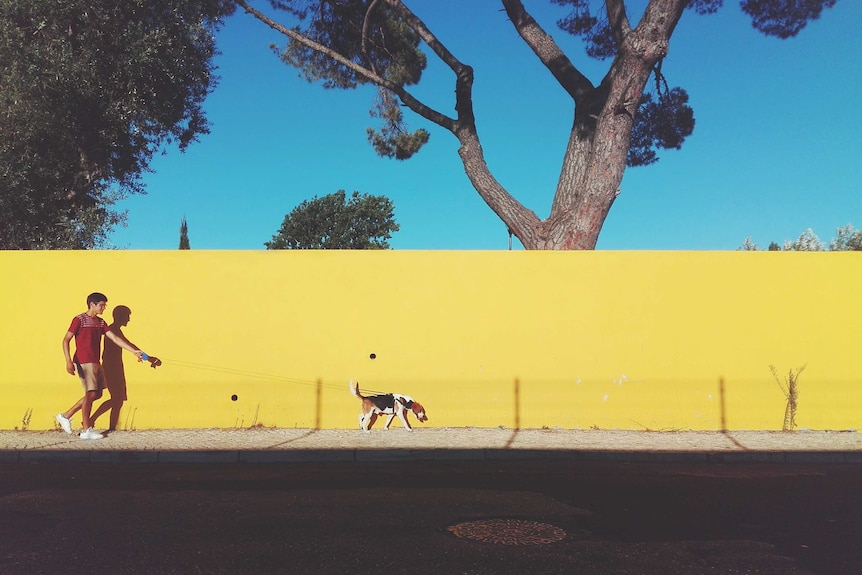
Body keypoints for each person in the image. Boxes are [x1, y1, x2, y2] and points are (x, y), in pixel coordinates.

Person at [55, 293, 147, 440]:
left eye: (105, 305)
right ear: (92, 304)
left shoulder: (101, 322)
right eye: (102, 305)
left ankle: (65, 416)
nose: (104, 308)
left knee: (97, 394)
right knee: (91, 394)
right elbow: (66, 340)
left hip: (96, 362)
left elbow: (116, 338)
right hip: (84, 361)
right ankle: (86, 430)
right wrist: (68, 361)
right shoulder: (79, 320)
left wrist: (134, 352)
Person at [91, 305, 161, 431]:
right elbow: (130, 345)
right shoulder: (113, 330)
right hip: (112, 368)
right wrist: (148, 358)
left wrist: (147, 358)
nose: (128, 319)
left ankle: (111, 427)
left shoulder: (115, 329)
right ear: (120, 317)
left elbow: (130, 345)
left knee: (118, 400)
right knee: (117, 399)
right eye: (127, 316)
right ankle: (92, 420)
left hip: (115, 367)